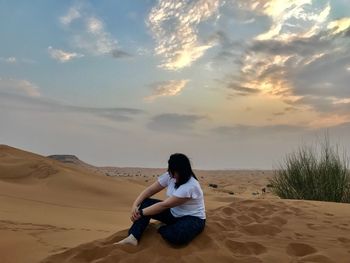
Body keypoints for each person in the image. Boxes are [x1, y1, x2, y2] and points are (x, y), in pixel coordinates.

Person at [115, 153, 206, 246]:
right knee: (145, 203)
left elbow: (164, 205)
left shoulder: (191, 186)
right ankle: (133, 237)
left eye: (174, 171)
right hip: (172, 213)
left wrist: (140, 213)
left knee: (177, 237)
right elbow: (149, 191)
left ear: (183, 171)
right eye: (170, 170)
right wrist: (135, 206)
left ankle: (162, 228)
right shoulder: (170, 176)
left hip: (192, 219)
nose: (171, 174)